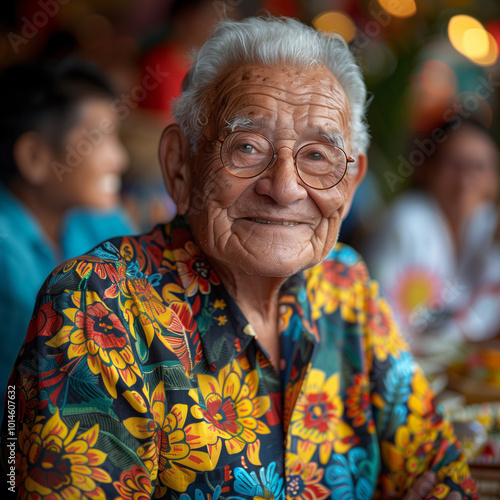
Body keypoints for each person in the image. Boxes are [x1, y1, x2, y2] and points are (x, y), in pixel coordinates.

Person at [1, 17, 476, 499]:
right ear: (179, 167)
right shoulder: (96, 306)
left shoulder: (343, 282)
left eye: (317, 156)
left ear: (351, 185)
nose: (286, 188)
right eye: (247, 147)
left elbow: (438, 469)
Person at [0, 59, 134, 399]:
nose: (119, 159)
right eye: (97, 138)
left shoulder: (99, 219)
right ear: (34, 156)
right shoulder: (6, 258)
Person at [364, 118, 500, 356]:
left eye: (479, 167)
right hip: (397, 365)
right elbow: (378, 315)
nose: (466, 179)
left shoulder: (488, 225)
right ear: (427, 167)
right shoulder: (406, 220)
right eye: (454, 164)